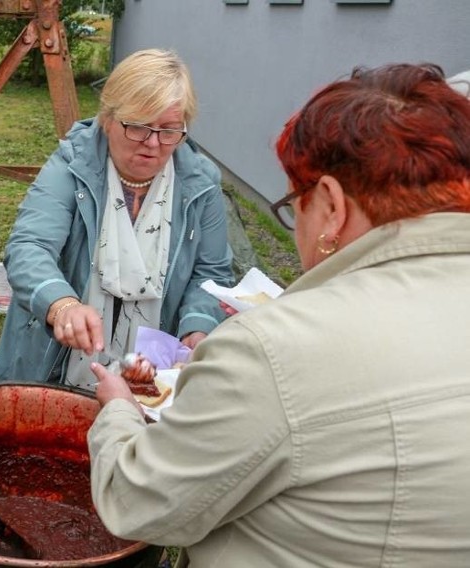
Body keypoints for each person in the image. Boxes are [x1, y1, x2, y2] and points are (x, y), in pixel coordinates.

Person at [87, 62, 470, 567]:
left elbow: (137, 501)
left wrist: (116, 408)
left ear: (331, 205)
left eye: (295, 204)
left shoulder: (271, 350)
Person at [0, 49, 233, 388]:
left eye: (169, 131)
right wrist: (62, 306)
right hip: (55, 365)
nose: (152, 144)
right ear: (107, 119)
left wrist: (197, 327)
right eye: (138, 127)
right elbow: (30, 246)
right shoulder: (74, 166)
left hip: (153, 370)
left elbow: (212, 272)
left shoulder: (200, 184)